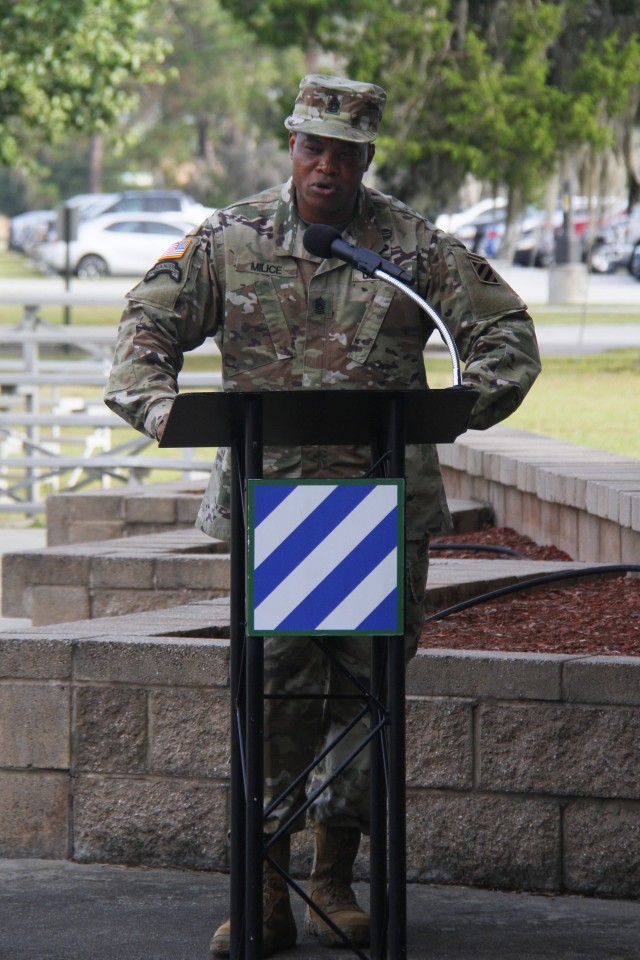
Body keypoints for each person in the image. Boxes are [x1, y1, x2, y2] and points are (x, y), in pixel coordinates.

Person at [104, 74, 541, 956]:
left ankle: (334, 883)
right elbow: (146, 324)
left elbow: (506, 337)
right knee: (273, 701)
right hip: (275, 515)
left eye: (345, 152)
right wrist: (156, 405)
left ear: (366, 158)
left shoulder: (413, 250)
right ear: (291, 147)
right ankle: (263, 890)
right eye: (313, 147)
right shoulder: (228, 242)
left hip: (380, 513)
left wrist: (462, 407)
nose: (327, 166)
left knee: (363, 698)